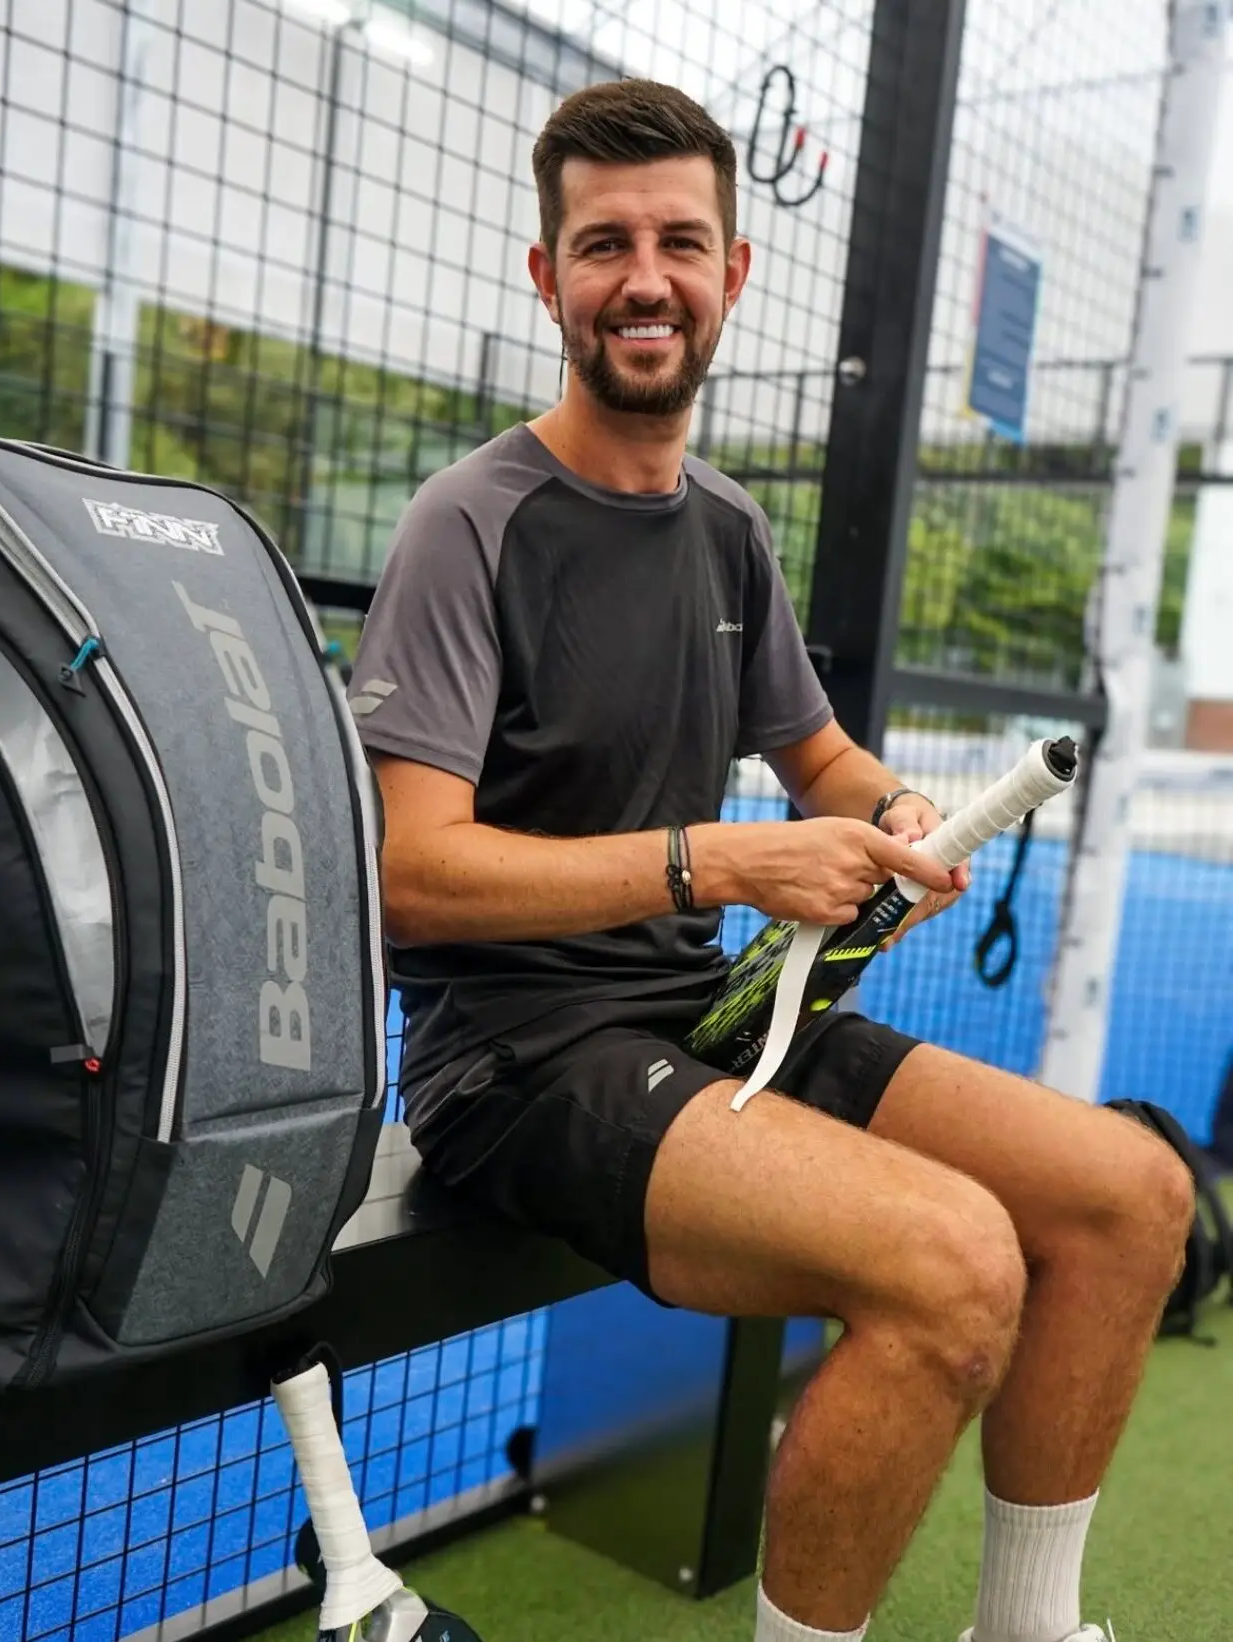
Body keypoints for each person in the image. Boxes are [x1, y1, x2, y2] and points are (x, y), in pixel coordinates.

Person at [347, 77, 1194, 1642]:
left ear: (732, 272)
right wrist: (721, 865)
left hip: (715, 1022)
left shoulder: (729, 527)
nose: (645, 278)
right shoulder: (465, 524)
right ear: (547, 276)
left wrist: (899, 817)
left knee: (1129, 1194)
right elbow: (412, 872)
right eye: (604, 245)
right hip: (514, 1061)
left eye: (680, 241)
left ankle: (1024, 1625)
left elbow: (823, 759)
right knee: (951, 1265)